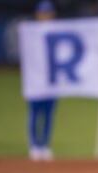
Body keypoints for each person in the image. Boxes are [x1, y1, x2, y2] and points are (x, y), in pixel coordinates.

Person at [27, 0, 57, 161]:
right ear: (37, 14)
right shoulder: (30, 33)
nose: (46, 15)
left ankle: (44, 145)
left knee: (49, 114)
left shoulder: (57, 33)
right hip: (35, 81)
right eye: (43, 12)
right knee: (34, 112)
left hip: (51, 82)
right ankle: (34, 145)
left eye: (48, 12)